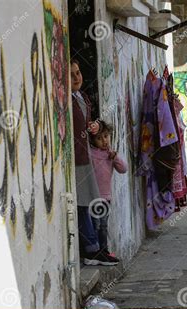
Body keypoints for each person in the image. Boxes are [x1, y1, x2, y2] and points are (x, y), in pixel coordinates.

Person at [71, 59, 119, 266]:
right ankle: (92, 249)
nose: (76, 78)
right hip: (77, 158)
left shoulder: (81, 97)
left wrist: (94, 126)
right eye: (71, 74)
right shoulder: (67, 99)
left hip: (85, 158)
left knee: (87, 202)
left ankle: (97, 248)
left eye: (78, 72)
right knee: (83, 204)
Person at [89, 120, 127, 263]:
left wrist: (115, 157)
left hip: (105, 198)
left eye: (106, 136)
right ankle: (96, 251)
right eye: (99, 138)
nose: (104, 141)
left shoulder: (110, 155)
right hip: (93, 196)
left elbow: (123, 169)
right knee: (96, 225)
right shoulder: (91, 153)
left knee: (103, 226)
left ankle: (104, 251)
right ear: (93, 141)